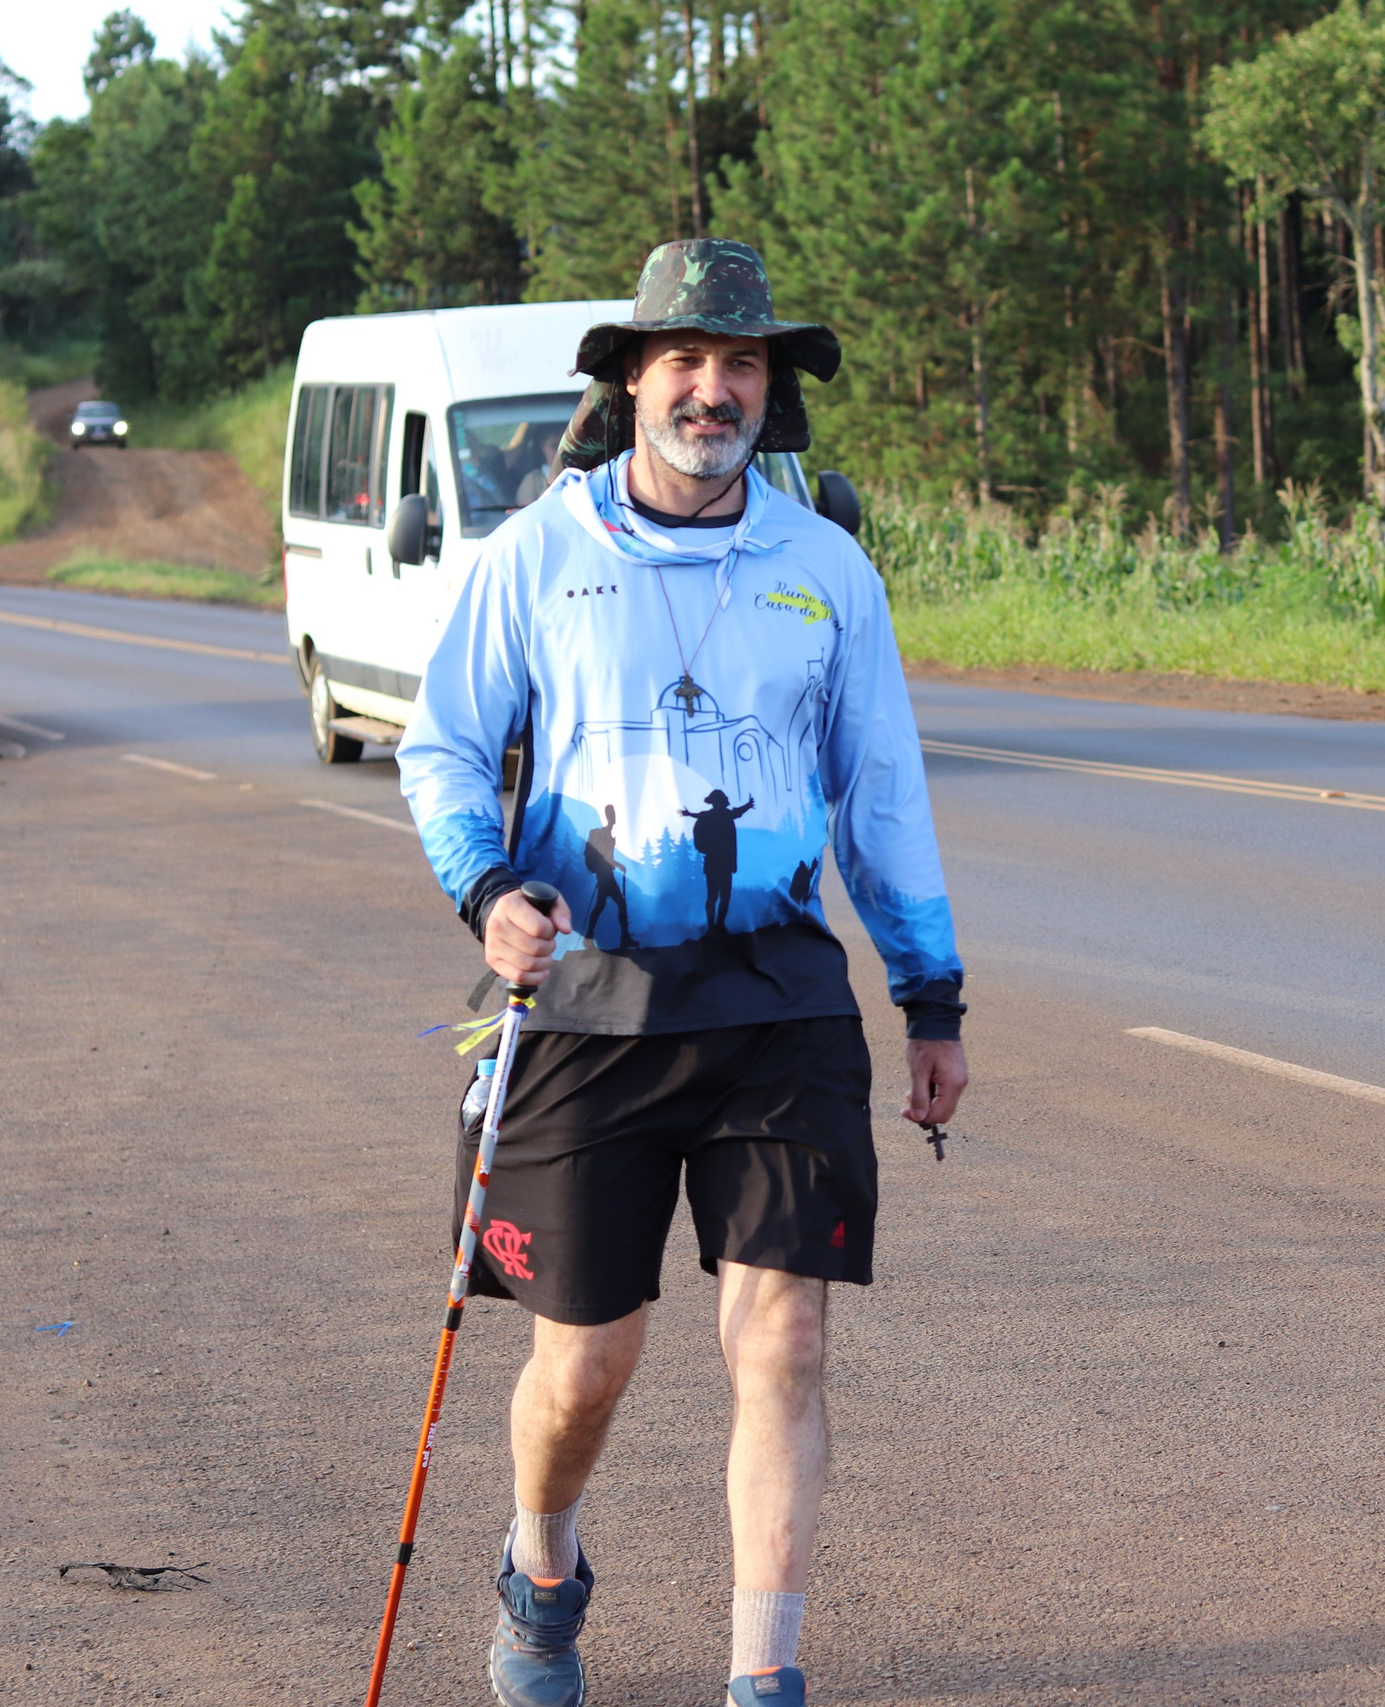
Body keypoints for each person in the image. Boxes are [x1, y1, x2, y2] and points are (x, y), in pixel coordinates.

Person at [397, 238, 969, 1707]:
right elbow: (444, 745)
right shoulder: (538, 554)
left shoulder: (826, 569)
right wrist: (485, 888)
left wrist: (930, 989)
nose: (713, 388)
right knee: (586, 1363)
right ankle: (540, 1561)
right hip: (587, 1001)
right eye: (686, 363)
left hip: (777, 998)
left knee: (780, 1330)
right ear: (634, 383)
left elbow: (880, 793)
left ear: (770, 394)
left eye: (741, 365)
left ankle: (762, 1674)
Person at [681, 788, 756, 935]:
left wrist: (747, 805)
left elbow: (736, 812)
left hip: (718, 863)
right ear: (720, 802)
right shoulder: (721, 816)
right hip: (719, 863)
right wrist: (748, 805)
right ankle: (715, 925)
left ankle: (717, 925)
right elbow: (736, 812)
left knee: (717, 896)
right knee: (719, 896)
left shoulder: (711, 817)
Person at [581, 803, 635, 950]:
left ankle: (589, 937)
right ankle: (624, 939)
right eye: (611, 814)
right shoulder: (603, 834)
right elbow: (604, 857)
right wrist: (619, 865)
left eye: (613, 814)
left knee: (601, 905)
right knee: (618, 905)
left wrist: (616, 865)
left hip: (606, 875)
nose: (613, 817)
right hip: (604, 875)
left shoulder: (609, 834)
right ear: (608, 816)